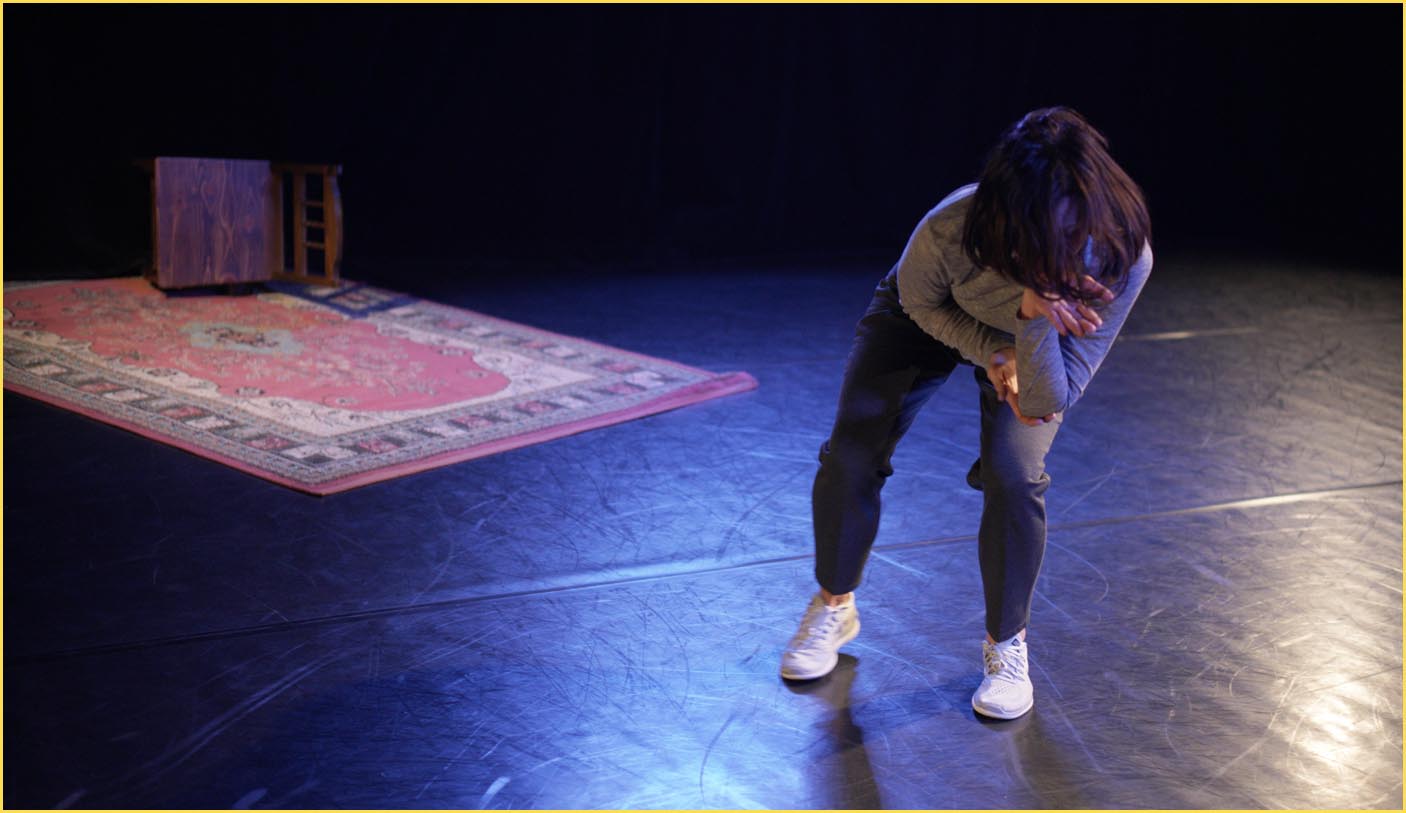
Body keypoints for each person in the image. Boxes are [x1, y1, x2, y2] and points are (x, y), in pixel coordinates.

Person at [779, 107, 1153, 720]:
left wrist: (1033, 316)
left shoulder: (1121, 258)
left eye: (1068, 233)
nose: (1056, 249)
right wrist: (991, 350)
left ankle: (1007, 645)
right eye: (1037, 237)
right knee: (853, 449)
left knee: (1015, 474)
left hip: (1031, 340)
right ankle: (834, 605)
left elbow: (1046, 402)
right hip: (931, 316)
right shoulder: (953, 225)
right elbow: (919, 302)